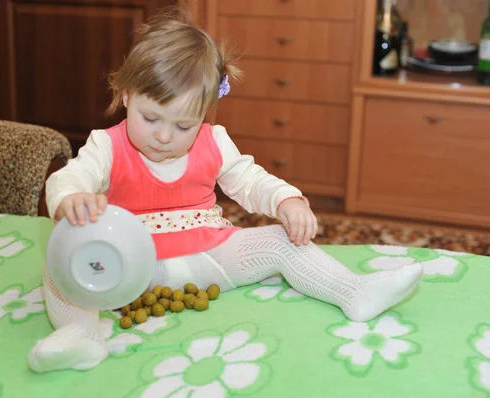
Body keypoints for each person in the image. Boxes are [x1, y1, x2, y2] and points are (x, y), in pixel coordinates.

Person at [28, 12, 423, 373]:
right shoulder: (106, 145)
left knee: (282, 242)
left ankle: (353, 291)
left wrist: (287, 199)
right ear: (127, 95)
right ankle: (84, 336)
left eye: (184, 126)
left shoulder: (214, 141)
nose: (164, 136)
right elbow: (71, 176)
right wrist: (70, 198)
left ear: (205, 113)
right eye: (150, 118)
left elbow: (249, 180)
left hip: (209, 260)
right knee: (58, 263)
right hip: (132, 272)